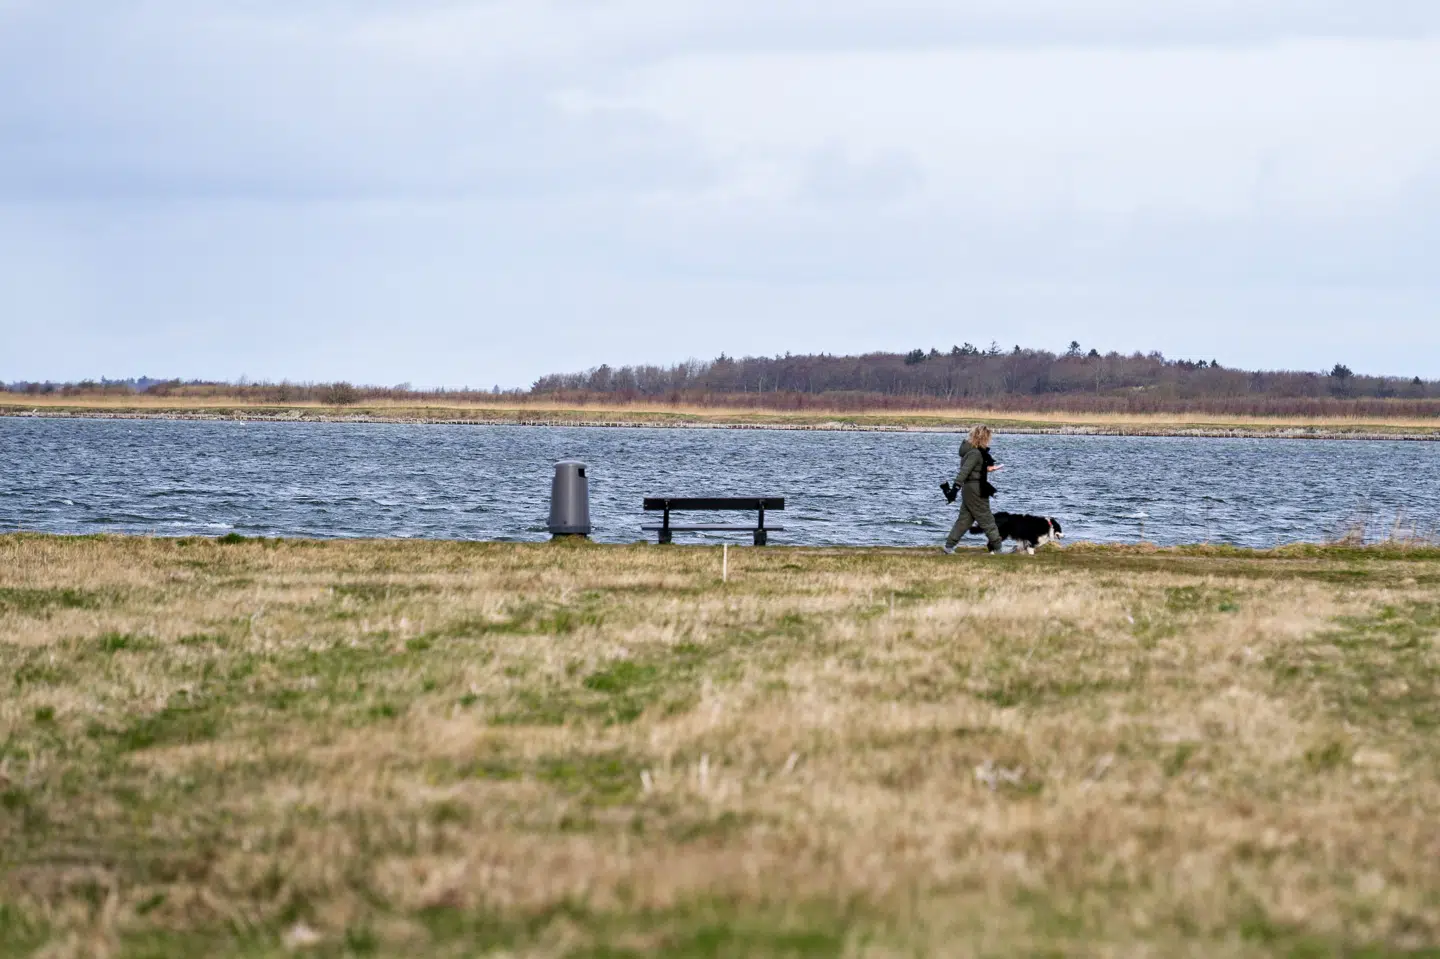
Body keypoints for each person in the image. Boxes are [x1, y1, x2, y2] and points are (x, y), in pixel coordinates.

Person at [943, 425, 1003, 554]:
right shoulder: (975, 453)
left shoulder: (972, 452)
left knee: (965, 520)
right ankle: (998, 549)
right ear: (983, 438)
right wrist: (955, 488)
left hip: (970, 489)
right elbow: (964, 472)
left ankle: (949, 547)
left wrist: (989, 469)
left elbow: (972, 469)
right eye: (987, 438)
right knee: (986, 518)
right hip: (976, 489)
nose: (989, 441)